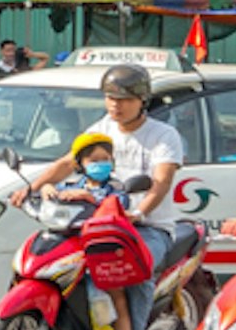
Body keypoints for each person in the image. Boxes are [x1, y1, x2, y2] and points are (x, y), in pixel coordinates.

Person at [18, 68, 189, 261]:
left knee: (128, 268)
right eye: (111, 98)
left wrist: (138, 214)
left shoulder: (163, 135)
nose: (116, 105)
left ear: (142, 100)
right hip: (101, 224)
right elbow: (68, 162)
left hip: (147, 227)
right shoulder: (103, 128)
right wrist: (31, 188)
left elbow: (162, 182)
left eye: (125, 100)